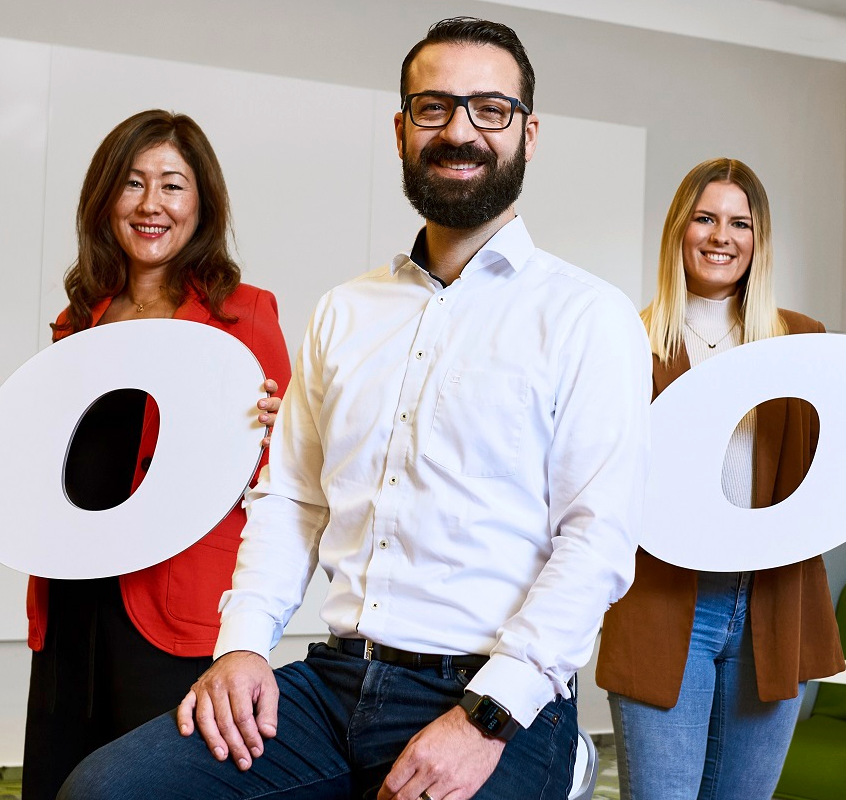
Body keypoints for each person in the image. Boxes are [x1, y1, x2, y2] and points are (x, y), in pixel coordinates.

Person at [61, 16, 650, 800]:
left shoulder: (588, 317)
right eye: (434, 108)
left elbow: (596, 543)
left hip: (493, 696)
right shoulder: (346, 309)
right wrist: (240, 646)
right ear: (402, 131)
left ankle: (555, 766)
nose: (460, 130)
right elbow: (292, 500)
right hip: (335, 682)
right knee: (107, 790)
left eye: (490, 109)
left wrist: (487, 718)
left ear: (529, 134)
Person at [0, 110, 292, 800]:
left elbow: (281, 477)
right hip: (72, 601)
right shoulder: (79, 320)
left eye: (172, 185)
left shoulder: (244, 316)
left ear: (203, 203)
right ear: (106, 200)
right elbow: (59, 457)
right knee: (60, 781)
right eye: (133, 184)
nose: (151, 204)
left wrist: (282, 435)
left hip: (175, 606)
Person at [595, 158, 846, 800]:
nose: (722, 236)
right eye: (705, 218)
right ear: (678, 231)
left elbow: (837, 469)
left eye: (739, 223)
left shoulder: (800, 340)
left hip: (774, 606)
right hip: (665, 605)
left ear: (759, 240)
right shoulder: (625, 342)